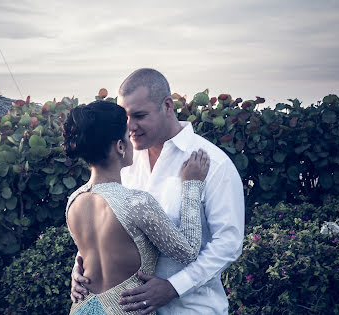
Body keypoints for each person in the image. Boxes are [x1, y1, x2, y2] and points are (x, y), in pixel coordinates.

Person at [71, 68, 245, 314]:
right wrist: (81, 267)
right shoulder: (122, 159)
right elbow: (105, 225)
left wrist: (174, 287)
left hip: (191, 309)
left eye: (139, 115)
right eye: (125, 118)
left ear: (167, 106)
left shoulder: (213, 164)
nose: (130, 126)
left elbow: (228, 243)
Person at [63, 100, 210, 314]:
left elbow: (92, 252)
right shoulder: (136, 203)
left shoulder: (74, 201)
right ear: (120, 146)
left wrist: (75, 271)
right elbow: (187, 252)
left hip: (82, 308)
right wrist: (192, 185)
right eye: (127, 136)